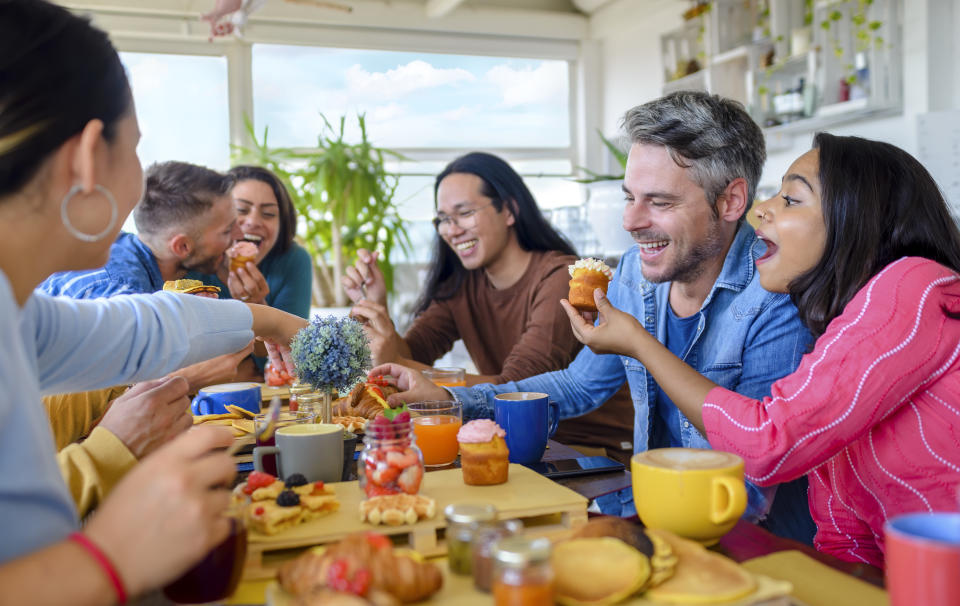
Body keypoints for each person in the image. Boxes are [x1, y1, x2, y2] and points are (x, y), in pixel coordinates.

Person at [369, 92, 817, 544]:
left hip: (754, 543)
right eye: (629, 197)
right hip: (656, 519)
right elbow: (580, 385)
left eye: (658, 202)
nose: (630, 220)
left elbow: (758, 477)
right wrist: (450, 399)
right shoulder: (632, 277)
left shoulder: (778, 293)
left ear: (731, 201)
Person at [0, 2, 306, 602]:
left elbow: (144, 327)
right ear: (89, 158)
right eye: (135, 147)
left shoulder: (19, 315)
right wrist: (109, 559)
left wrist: (272, 320)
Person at [560, 132, 960, 567]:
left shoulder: (914, 286)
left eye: (791, 199)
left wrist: (640, 343)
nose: (760, 210)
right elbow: (843, 535)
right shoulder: (836, 332)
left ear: (856, 219)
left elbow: (767, 444)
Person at [343, 151, 635, 462]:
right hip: (516, 443)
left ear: (509, 210)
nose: (450, 229)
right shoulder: (463, 284)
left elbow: (516, 388)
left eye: (464, 213)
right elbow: (412, 355)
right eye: (443, 218)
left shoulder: (559, 279)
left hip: (587, 455)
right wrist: (375, 304)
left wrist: (399, 362)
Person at [39, 160, 242, 298]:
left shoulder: (121, 244)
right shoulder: (121, 294)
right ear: (182, 246)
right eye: (227, 231)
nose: (239, 235)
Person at [188, 165, 313, 371]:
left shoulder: (293, 260)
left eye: (269, 213)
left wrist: (258, 311)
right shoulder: (193, 261)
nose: (254, 221)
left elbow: (282, 365)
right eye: (241, 210)